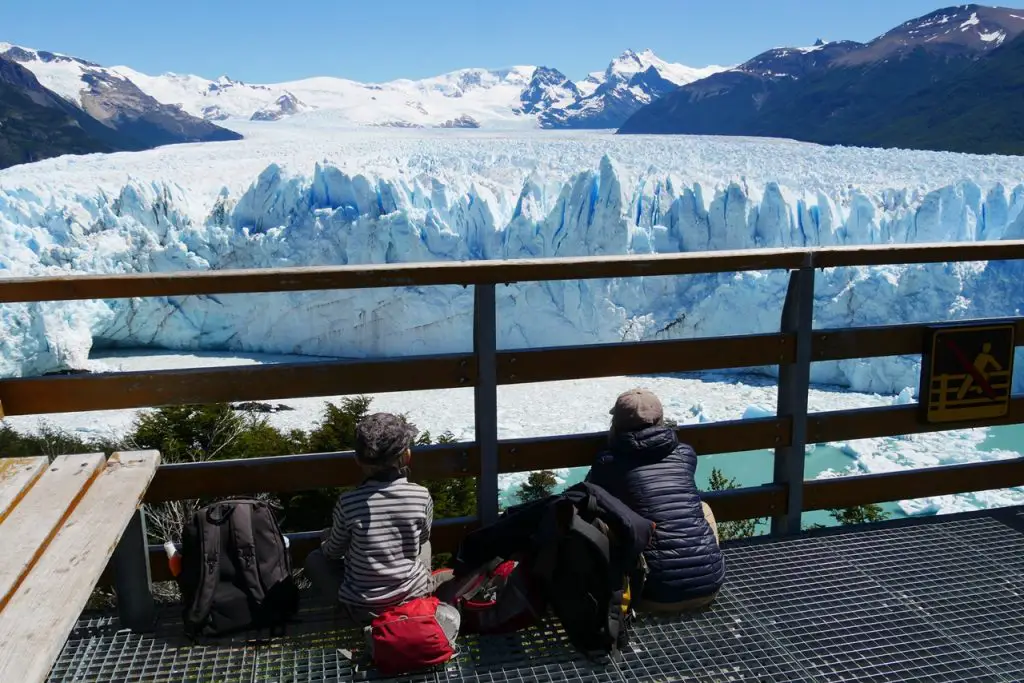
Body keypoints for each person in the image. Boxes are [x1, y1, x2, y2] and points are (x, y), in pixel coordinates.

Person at [585, 388, 725, 612]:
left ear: (616, 424)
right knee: (702, 508)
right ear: (660, 420)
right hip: (709, 587)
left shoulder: (608, 463)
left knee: (603, 520)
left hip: (649, 595)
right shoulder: (685, 453)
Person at [304, 412, 436, 626]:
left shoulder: (348, 502)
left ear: (357, 459)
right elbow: (421, 540)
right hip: (411, 598)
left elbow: (333, 552)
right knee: (427, 545)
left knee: (313, 560)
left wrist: (326, 539)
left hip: (364, 607)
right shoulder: (421, 495)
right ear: (407, 456)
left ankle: (346, 611)